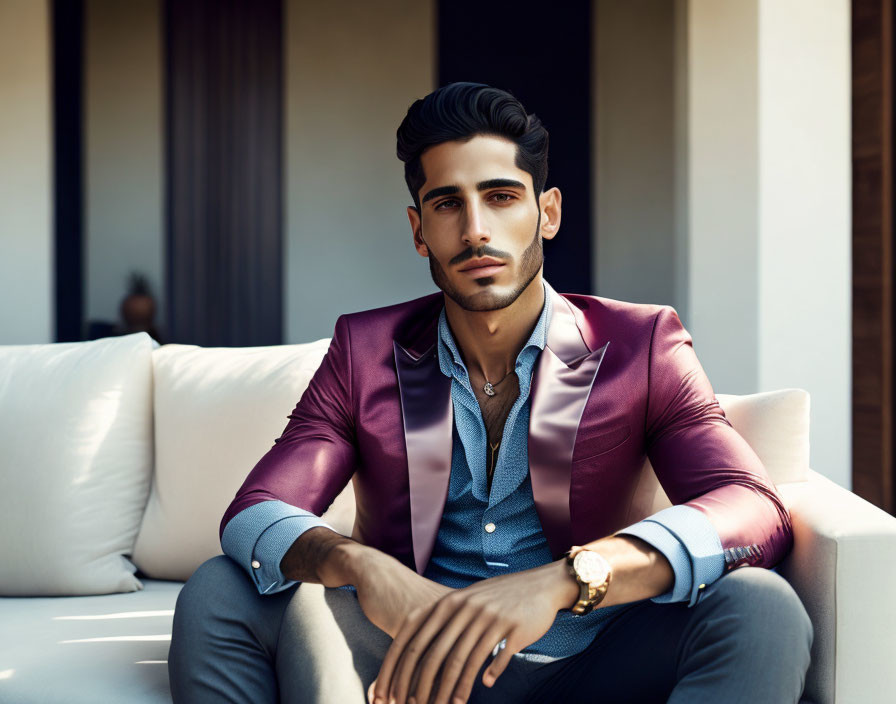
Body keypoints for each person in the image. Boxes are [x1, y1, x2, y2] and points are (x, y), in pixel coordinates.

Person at [169, 82, 813, 704]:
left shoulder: (642, 343)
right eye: (448, 203)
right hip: (408, 658)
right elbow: (254, 514)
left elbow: (752, 507)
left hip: (593, 657)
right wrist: (362, 567)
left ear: (548, 212)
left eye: (501, 196)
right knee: (221, 590)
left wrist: (571, 580)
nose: (476, 229)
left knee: (761, 606)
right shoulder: (364, 351)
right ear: (420, 230)